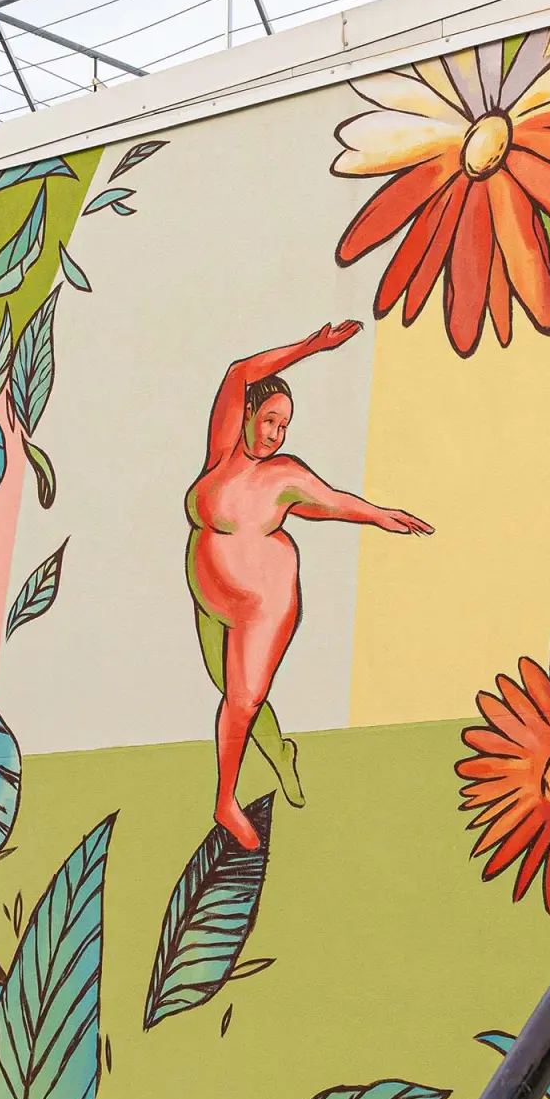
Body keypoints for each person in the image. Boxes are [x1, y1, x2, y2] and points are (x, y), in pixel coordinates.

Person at [187, 320, 430, 849]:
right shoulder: (223, 454)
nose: (275, 434)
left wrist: (382, 514)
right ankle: (280, 752)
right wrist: (312, 347)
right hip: (211, 595)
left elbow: (336, 503)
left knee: (242, 701)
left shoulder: (285, 477)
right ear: (246, 415)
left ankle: (225, 799)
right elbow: (239, 372)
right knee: (227, 692)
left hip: (265, 604)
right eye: (269, 419)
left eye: (284, 426)